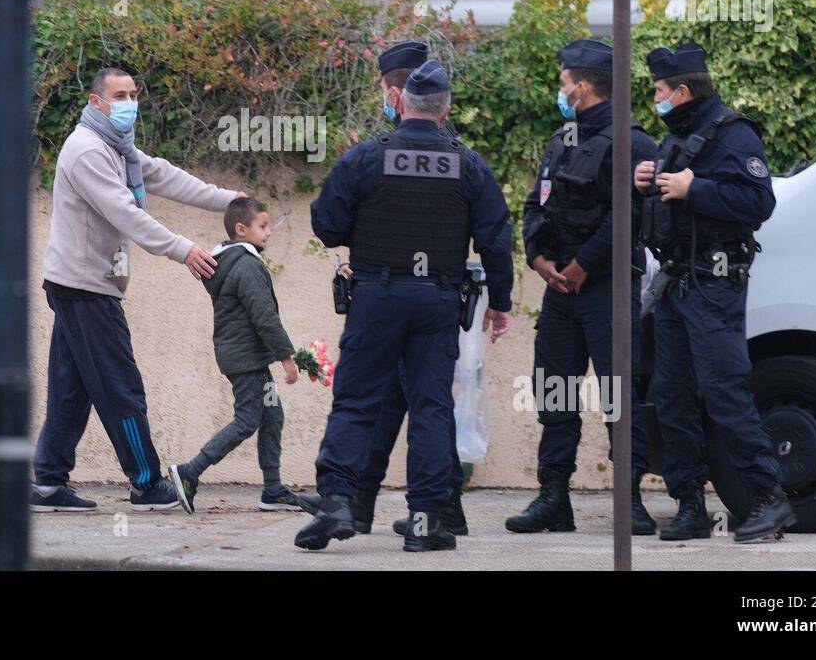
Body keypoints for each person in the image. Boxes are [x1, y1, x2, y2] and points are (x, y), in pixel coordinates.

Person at [295, 61, 514, 552]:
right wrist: (500, 302)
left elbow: (327, 225)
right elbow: (496, 241)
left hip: (376, 294)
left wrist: (368, 234)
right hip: (437, 299)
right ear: (446, 109)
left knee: (355, 400)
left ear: (401, 103)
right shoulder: (468, 163)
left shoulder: (367, 157)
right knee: (432, 405)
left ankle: (336, 500)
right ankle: (425, 520)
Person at [31, 67, 243, 513]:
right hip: (86, 288)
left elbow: (165, 176)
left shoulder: (117, 147)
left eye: (133, 94)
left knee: (73, 388)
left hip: (82, 285)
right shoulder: (87, 151)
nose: (129, 102)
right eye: (119, 95)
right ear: (96, 103)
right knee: (120, 388)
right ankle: (146, 484)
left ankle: (47, 484)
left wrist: (230, 200)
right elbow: (126, 213)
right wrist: (183, 249)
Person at [634, 42, 794, 543]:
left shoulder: (733, 133)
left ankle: (770, 500)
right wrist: (650, 183)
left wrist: (692, 188)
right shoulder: (677, 137)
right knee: (672, 396)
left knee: (724, 392)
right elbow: (671, 204)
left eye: (660, 90)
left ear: (682, 91)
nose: (655, 99)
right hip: (675, 284)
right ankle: (689, 507)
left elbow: (758, 201)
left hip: (714, 285)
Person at [508, 38, 658, 535]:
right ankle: (554, 498)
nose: (561, 88)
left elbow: (630, 215)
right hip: (560, 290)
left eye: (564, 80)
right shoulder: (562, 138)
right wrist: (540, 259)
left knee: (619, 394)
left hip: (607, 287)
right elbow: (536, 205)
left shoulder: (632, 141)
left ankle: (629, 500)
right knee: (554, 390)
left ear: (585, 84)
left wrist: (581, 267)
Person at [350, 41, 471, 537]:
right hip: (430, 296)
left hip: (400, 295)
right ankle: (361, 502)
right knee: (403, 404)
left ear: (397, 93)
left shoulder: (409, 145)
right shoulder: (446, 143)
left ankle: (439, 509)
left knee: (420, 405)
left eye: (384, 90)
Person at [168, 197, 304, 514]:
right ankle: (188, 472)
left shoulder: (234, 261)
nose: (269, 232)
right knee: (247, 420)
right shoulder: (246, 265)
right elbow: (265, 317)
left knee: (272, 414)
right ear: (241, 229)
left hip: (249, 358)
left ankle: (272, 490)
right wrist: (286, 357)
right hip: (246, 362)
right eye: (263, 226)